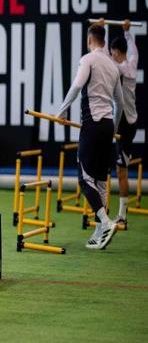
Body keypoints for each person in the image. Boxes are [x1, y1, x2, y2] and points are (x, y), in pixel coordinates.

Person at [56, 24, 124, 250]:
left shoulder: (88, 60)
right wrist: (112, 128)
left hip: (92, 125)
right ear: (104, 40)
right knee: (101, 181)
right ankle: (99, 232)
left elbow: (77, 85)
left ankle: (106, 222)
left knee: (84, 179)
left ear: (89, 40)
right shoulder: (113, 66)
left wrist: (62, 111)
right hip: (107, 126)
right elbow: (120, 103)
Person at [97, 19, 139, 226]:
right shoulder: (132, 63)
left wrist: (102, 28)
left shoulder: (120, 68)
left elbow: (103, 56)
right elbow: (133, 48)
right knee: (119, 169)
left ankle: (122, 216)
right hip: (130, 122)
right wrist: (127, 31)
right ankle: (115, 211)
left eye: (113, 53)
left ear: (117, 53)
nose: (112, 56)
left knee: (121, 172)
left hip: (123, 126)